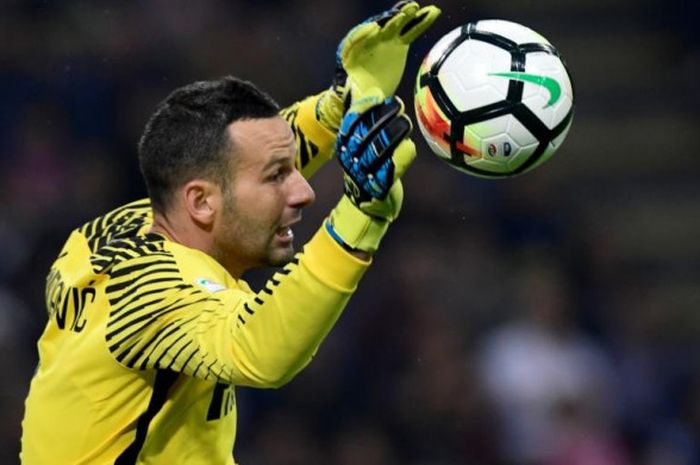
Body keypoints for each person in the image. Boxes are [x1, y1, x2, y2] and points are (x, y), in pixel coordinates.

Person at [20, 2, 440, 464]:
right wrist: (361, 216)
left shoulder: (111, 230)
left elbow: (247, 162)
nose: (304, 192)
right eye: (278, 176)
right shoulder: (156, 293)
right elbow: (259, 352)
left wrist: (342, 102)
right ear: (199, 202)